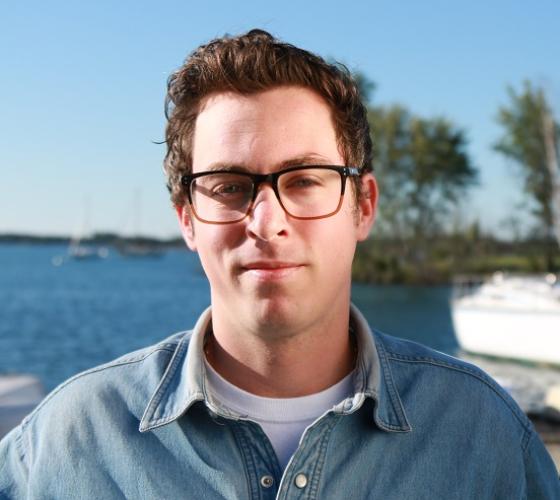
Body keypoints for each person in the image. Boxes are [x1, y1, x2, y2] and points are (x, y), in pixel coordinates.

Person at [1, 29, 558, 499]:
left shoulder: (481, 434)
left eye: (304, 181)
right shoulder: (72, 440)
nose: (267, 222)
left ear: (362, 206)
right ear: (188, 219)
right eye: (229, 186)